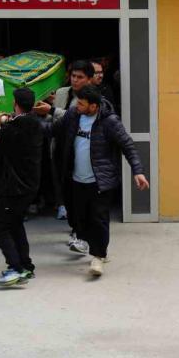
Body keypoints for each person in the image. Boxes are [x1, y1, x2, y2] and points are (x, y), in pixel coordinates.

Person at [39, 85, 148, 277]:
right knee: (79, 218)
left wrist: (137, 172)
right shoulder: (73, 115)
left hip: (100, 181)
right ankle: (93, 246)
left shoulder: (109, 122)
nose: (77, 106)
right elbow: (52, 130)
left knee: (99, 219)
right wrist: (26, 121)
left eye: (81, 104)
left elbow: (128, 146)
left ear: (94, 106)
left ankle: (98, 256)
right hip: (76, 179)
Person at [0, 88, 45, 287]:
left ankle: (15, 268)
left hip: (14, 188)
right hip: (30, 186)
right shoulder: (36, 124)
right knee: (15, 224)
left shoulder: (12, 128)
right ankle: (26, 266)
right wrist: (8, 122)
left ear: (15, 104)